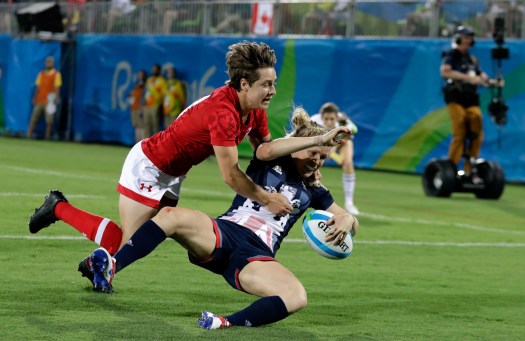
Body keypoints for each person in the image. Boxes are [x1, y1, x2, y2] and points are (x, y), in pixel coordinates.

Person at [28, 41, 299, 281]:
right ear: (244, 84)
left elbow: (266, 152)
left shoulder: (253, 110)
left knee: (148, 237)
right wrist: (266, 198)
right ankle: (59, 209)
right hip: (149, 167)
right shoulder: (223, 112)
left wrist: (305, 162)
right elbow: (230, 175)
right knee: (128, 244)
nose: (272, 90)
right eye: (266, 84)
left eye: (273, 82)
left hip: (174, 174)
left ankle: (98, 268)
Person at [87, 107, 359, 330]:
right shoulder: (269, 158)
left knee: (297, 296)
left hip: (256, 255)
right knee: (170, 216)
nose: (317, 161)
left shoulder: (316, 190)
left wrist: (348, 221)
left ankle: (224, 323)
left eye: (323, 158)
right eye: (313, 153)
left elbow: (347, 219)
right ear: (298, 146)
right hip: (223, 231)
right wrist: (318, 140)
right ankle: (112, 266)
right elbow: (267, 149)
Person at [440, 25, 502, 181]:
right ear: (458, 38)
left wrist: (493, 82)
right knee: (460, 129)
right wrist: (468, 78)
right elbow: (445, 71)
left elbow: (482, 77)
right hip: (455, 99)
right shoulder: (451, 56)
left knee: (476, 127)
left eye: (470, 38)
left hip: (471, 99)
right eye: (465, 37)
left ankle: (470, 168)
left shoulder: (472, 60)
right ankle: (452, 167)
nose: (468, 41)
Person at [311, 102, 359, 215]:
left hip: (340, 141)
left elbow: (354, 130)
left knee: (348, 163)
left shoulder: (343, 120)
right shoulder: (314, 121)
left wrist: (334, 148)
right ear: (321, 116)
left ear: (336, 117)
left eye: (331, 119)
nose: (328, 122)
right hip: (320, 142)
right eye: (326, 118)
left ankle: (349, 203)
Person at [27, 56, 62, 140]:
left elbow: (57, 88)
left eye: (50, 62)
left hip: (49, 101)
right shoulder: (41, 74)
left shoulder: (56, 75)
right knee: (34, 118)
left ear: (53, 64)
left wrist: (56, 99)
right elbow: (38, 87)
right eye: (47, 62)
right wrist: (35, 97)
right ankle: (29, 134)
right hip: (40, 100)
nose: (48, 63)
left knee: (49, 121)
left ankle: (47, 136)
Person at [143, 63, 166, 137]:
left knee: (155, 125)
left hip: (155, 105)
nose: (154, 71)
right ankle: (145, 143)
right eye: (153, 69)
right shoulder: (149, 80)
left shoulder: (161, 81)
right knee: (146, 124)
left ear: (159, 70)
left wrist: (160, 104)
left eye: (155, 69)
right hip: (147, 105)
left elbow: (164, 94)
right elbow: (146, 91)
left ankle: (155, 144)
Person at [128, 69, 147, 143]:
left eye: (141, 74)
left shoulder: (145, 85)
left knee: (141, 127)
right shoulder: (135, 85)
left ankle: (141, 144)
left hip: (140, 108)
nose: (140, 76)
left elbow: (145, 97)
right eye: (139, 74)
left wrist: (142, 108)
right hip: (134, 108)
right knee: (136, 126)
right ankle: (136, 143)